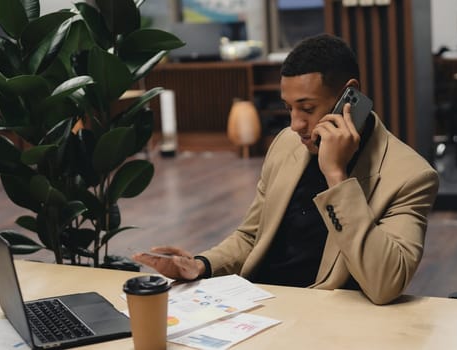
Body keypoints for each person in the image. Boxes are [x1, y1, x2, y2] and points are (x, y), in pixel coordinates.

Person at [133, 34, 439, 305]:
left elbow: (386, 284)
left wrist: (336, 177)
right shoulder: (287, 144)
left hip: (317, 316)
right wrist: (201, 265)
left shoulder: (409, 176)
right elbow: (253, 236)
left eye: (307, 109)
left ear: (350, 97)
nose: (295, 124)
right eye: (288, 108)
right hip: (256, 303)